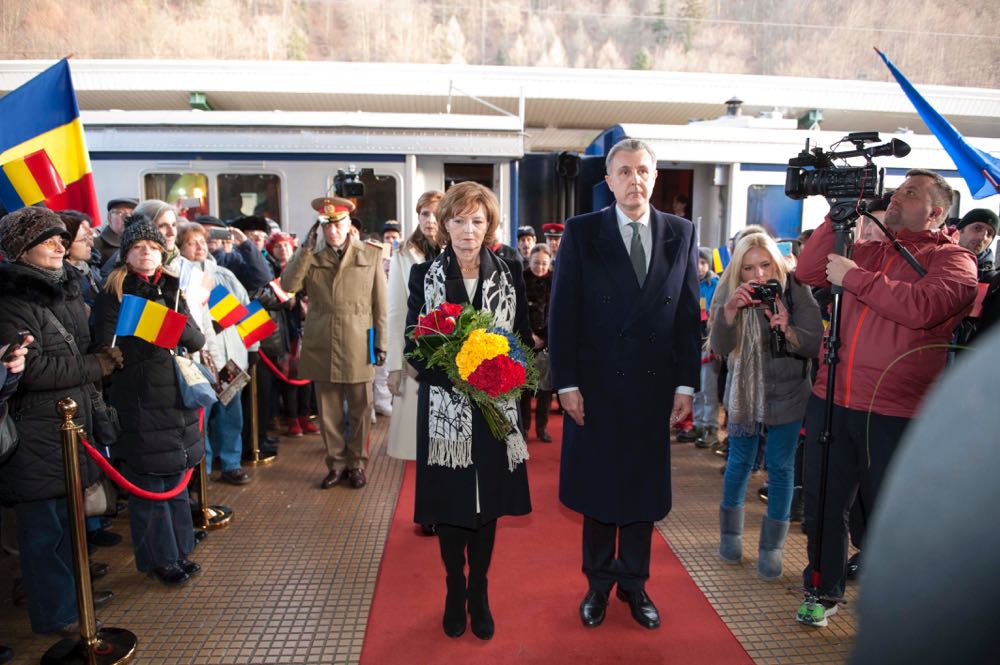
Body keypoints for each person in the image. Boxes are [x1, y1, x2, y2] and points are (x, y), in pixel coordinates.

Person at [794, 169, 978, 627]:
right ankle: (822, 589)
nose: (896, 199)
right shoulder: (870, 248)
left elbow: (922, 307)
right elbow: (808, 270)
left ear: (935, 212)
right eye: (895, 192)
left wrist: (857, 279)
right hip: (832, 398)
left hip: (895, 412)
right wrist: (833, 218)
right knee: (822, 504)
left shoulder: (954, 262)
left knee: (889, 515)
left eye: (909, 193)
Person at [548, 138, 701, 630]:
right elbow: (562, 314)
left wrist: (686, 385)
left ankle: (634, 585)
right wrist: (565, 382)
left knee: (639, 493)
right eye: (624, 171)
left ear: (654, 178)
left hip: (652, 389)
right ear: (609, 180)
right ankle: (596, 583)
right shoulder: (582, 231)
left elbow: (684, 316)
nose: (635, 179)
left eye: (643, 171)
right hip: (595, 386)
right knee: (598, 489)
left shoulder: (681, 232)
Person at [404, 181, 532, 640]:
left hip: (496, 408)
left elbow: (521, 341)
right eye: (458, 220)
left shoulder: (510, 272)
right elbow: (414, 348)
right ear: (443, 225)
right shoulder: (425, 277)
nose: (467, 230)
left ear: (489, 225)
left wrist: (500, 373)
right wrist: (461, 374)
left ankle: (479, 588)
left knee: (488, 507)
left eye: (477, 221)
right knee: (453, 505)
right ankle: (453, 585)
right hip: (447, 407)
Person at [0, 207, 123, 635]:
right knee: (44, 535)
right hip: (37, 432)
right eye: (46, 240)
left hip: (67, 427)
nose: (59, 245)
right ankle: (58, 616)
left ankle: (75, 600)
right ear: (21, 250)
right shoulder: (12, 301)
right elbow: (31, 372)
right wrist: (97, 366)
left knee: (66, 526)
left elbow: (76, 348)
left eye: (59, 238)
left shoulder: (62, 288)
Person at [95, 215, 206, 586]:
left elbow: (195, 339)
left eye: (154, 248)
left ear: (162, 253)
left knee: (176, 476)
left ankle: (180, 549)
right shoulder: (113, 292)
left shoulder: (173, 288)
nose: (147, 254)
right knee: (150, 487)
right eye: (139, 248)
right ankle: (159, 558)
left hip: (175, 394)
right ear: (126, 254)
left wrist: (167, 316)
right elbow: (106, 348)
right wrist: (143, 322)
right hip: (140, 398)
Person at [710, 233, 821, 579]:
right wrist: (729, 312)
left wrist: (788, 329)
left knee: (781, 468)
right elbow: (719, 348)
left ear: (776, 262)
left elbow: (814, 342)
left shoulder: (795, 289)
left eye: (764, 265)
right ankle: (730, 536)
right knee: (739, 463)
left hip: (789, 394)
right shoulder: (728, 293)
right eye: (748, 268)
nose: (759, 275)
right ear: (738, 271)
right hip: (745, 394)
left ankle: (772, 548)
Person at [281, 198, 387, 490]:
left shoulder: (370, 255)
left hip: (356, 340)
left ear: (350, 225)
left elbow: (380, 303)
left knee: (360, 409)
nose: (333, 231)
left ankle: (357, 464)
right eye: (326, 226)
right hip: (323, 341)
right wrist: (304, 247)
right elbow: (288, 285)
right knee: (328, 412)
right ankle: (336, 464)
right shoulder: (311, 257)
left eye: (338, 224)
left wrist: (381, 343)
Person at [176, 222, 253, 485]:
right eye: (190, 242)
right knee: (202, 416)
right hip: (200, 360)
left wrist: (253, 348)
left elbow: (244, 309)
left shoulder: (222, 274)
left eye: (201, 241)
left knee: (233, 413)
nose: (198, 247)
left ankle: (231, 462)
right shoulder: (178, 277)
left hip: (230, 356)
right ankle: (203, 467)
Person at [386, 190, 443, 469]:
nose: (430, 220)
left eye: (435, 213)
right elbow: (396, 310)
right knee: (419, 441)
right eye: (424, 213)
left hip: (451, 351)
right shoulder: (403, 254)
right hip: (416, 353)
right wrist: (395, 364)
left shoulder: (459, 249)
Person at [265, 231, 318, 438]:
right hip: (283, 330)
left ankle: (305, 417)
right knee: (288, 377)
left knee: (307, 376)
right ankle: (293, 418)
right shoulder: (270, 269)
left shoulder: (303, 266)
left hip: (304, 327)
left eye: (286, 246)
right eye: (278, 246)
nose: (282, 249)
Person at [521, 243, 554, 442]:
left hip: (548, 342)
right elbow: (516, 310)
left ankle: (542, 428)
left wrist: (545, 338)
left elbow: (559, 313)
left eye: (544, 263)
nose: (539, 267)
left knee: (545, 389)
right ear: (529, 261)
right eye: (536, 263)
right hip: (525, 340)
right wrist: (530, 335)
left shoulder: (556, 280)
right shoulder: (521, 279)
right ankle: (524, 428)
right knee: (525, 388)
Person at [692, 248, 720, 448]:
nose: (700, 267)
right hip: (693, 341)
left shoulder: (717, 285)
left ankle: (711, 427)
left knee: (709, 388)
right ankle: (698, 424)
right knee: (695, 388)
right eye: (696, 262)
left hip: (709, 342)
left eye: (703, 262)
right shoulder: (689, 283)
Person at [93, 197, 138, 265]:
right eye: (120, 213)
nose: (127, 217)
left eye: (132, 213)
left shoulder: (143, 243)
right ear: (109, 218)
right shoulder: (95, 245)